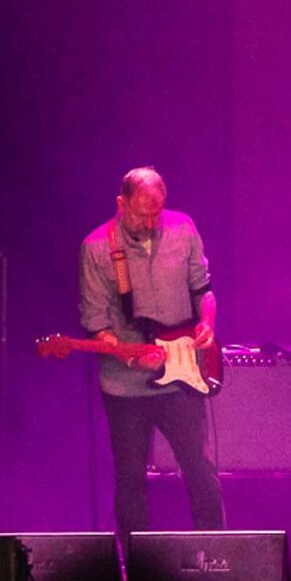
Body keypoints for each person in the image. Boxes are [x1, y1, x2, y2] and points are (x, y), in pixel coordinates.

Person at [76, 166, 225, 539]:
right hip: (125, 387)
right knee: (130, 477)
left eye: (157, 211)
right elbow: (97, 324)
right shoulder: (97, 247)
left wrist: (207, 323)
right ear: (121, 203)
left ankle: (217, 554)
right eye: (142, 213)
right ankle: (138, 569)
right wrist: (129, 355)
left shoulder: (183, 228)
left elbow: (203, 289)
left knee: (199, 468)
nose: (150, 221)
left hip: (182, 375)